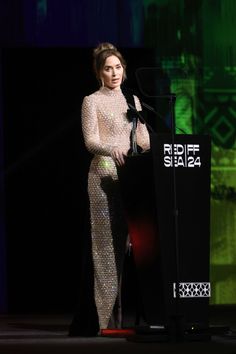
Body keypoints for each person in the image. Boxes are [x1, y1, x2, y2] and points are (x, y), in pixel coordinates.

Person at [70, 42, 150, 335]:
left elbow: (144, 140)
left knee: (133, 246)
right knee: (105, 249)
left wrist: (142, 148)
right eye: (108, 68)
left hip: (131, 180)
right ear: (99, 73)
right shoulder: (91, 101)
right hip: (103, 178)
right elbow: (90, 141)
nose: (114, 73)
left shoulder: (134, 102)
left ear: (124, 70)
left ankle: (130, 315)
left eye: (118, 67)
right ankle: (103, 321)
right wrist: (112, 147)